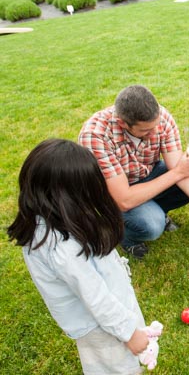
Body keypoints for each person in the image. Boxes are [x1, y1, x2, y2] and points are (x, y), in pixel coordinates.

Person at [7, 139, 149, 374]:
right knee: (117, 368)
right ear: (65, 197)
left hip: (108, 317)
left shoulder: (54, 221)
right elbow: (95, 297)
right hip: (101, 327)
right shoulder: (61, 248)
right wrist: (130, 333)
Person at [79, 85, 189, 259]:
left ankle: (153, 209)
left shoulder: (161, 117)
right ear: (122, 123)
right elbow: (124, 200)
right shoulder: (96, 136)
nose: (156, 132)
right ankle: (125, 235)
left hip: (147, 174)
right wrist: (178, 172)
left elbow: (180, 170)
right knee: (152, 225)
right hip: (116, 194)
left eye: (156, 125)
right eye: (146, 130)